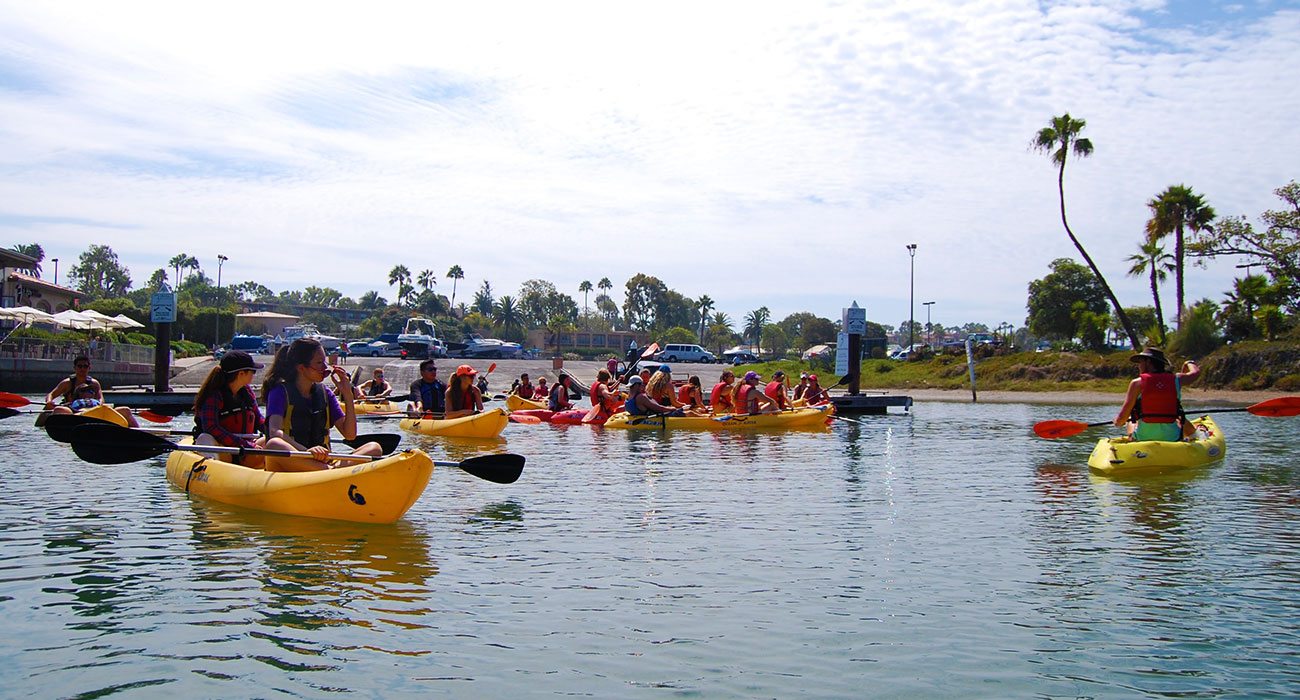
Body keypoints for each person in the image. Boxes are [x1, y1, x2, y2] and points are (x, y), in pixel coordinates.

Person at [261, 338, 381, 472]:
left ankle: (330, 471)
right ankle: (331, 472)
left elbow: (350, 435)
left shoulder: (325, 393)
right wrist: (307, 452)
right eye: (319, 363)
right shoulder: (279, 392)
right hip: (295, 461)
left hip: (322, 463)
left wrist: (347, 394)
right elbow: (274, 431)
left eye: (324, 362)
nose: (325, 367)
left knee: (374, 448)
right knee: (274, 444)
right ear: (301, 368)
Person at [192, 350, 270, 467]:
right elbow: (211, 427)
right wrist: (244, 445)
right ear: (241, 374)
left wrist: (274, 431)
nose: (254, 375)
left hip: (244, 450)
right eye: (252, 371)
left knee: (272, 440)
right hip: (224, 450)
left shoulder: (247, 392)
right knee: (205, 438)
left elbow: (259, 420)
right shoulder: (214, 395)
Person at [1114, 347, 1201, 441]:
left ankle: (1133, 438)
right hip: (1173, 438)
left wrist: (1116, 422)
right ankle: (1195, 435)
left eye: (1140, 362)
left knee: (1132, 419)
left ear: (1148, 362)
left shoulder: (1136, 383)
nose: (1138, 366)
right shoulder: (1177, 379)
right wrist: (1189, 363)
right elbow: (1195, 373)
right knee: (1178, 418)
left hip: (1143, 439)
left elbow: (1121, 420)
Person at [44, 355, 138, 426]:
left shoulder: (94, 383)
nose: (82, 369)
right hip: (75, 411)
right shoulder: (67, 383)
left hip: (94, 411)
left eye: (85, 366)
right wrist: (49, 402)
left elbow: (101, 399)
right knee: (58, 410)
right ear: (75, 368)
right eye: (80, 366)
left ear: (89, 368)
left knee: (126, 410)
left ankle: (138, 433)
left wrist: (99, 406)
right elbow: (51, 394)